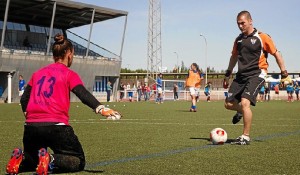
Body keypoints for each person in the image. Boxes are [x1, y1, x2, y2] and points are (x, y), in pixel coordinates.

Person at [6, 34, 121, 174]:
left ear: (54, 54)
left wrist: (31, 117)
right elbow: (82, 93)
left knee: (34, 160)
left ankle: (21, 159)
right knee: (77, 160)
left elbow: (24, 99)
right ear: (69, 53)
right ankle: (51, 160)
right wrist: (101, 108)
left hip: (31, 127)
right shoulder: (68, 74)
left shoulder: (37, 74)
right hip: (56, 127)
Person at [223, 11, 290, 145]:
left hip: (257, 74)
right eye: (238, 24)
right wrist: (227, 74)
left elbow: (277, 54)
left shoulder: (262, 37)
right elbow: (234, 57)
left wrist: (284, 74)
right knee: (228, 104)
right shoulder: (238, 40)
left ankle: (245, 136)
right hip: (241, 75)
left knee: (245, 102)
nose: (240, 26)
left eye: (243, 23)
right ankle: (242, 112)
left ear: (250, 21)